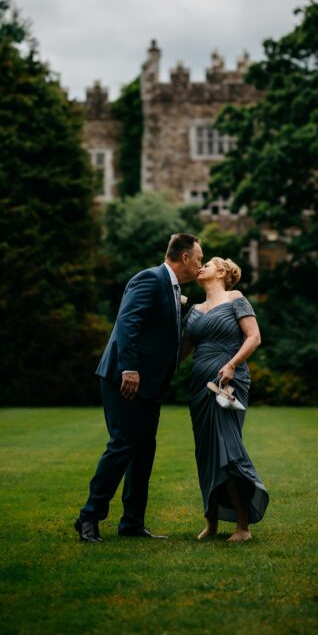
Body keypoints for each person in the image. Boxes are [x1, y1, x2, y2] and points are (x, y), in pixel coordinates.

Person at [74, 232, 203, 542]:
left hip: (150, 385)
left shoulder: (174, 290)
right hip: (125, 379)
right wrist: (129, 368)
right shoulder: (150, 278)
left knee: (144, 450)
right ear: (184, 257)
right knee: (122, 445)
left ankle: (132, 522)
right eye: (198, 259)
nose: (200, 265)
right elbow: (127, 322)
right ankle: (89, 516)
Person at [184, 256, 269, 541]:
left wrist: (232, 364)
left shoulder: (236, 298)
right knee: (206, 452)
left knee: (228, 450)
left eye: (207, 264)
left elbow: (254, 337)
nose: (201, 266)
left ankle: (243, 527)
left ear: (221, 272)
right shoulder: (193, 310)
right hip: (200, 385)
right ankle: (212, 524)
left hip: (229, 382)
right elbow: (180, 352)